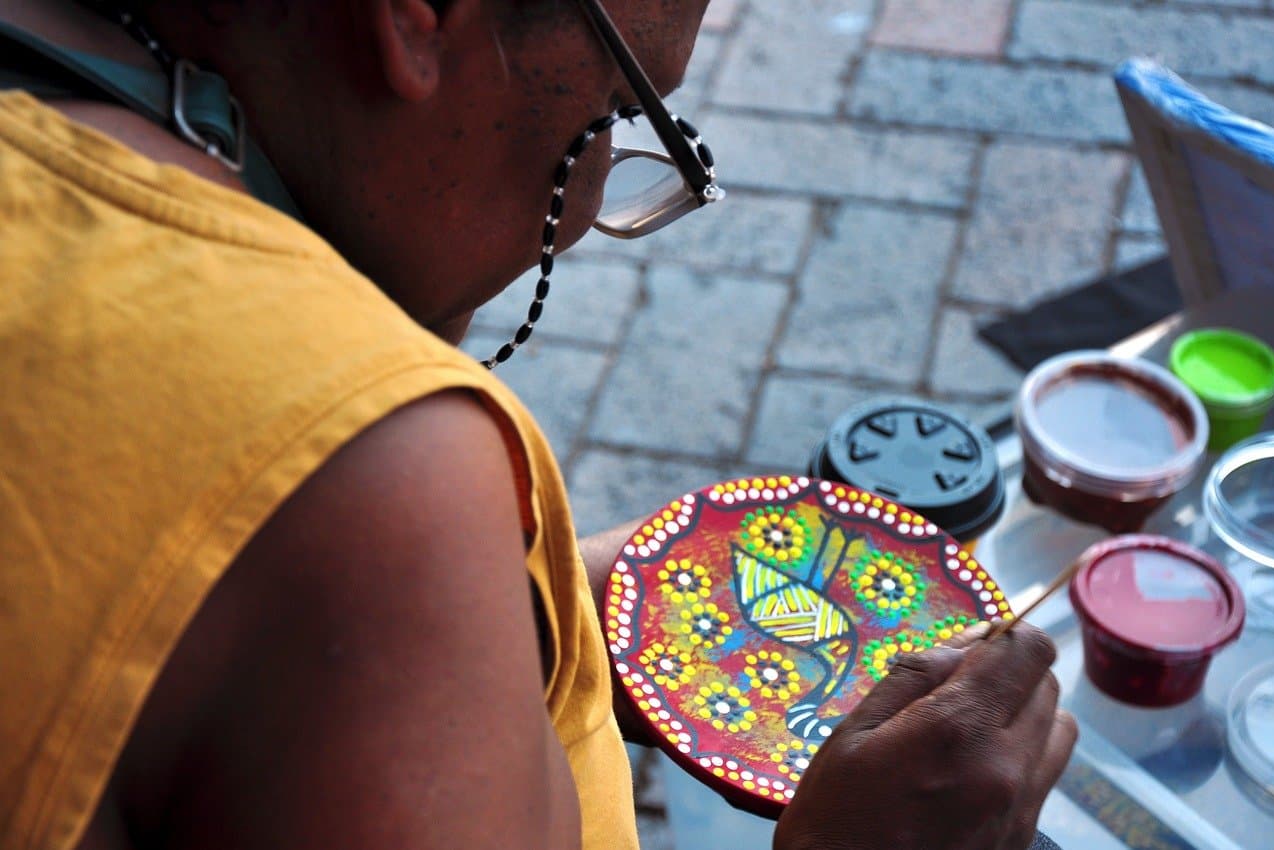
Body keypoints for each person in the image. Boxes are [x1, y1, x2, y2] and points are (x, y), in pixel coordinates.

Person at [0, 1, 1076, 848]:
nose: (577, 219)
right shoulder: (369, 468)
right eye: (611, 110)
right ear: (416, 13)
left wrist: (547, 595)